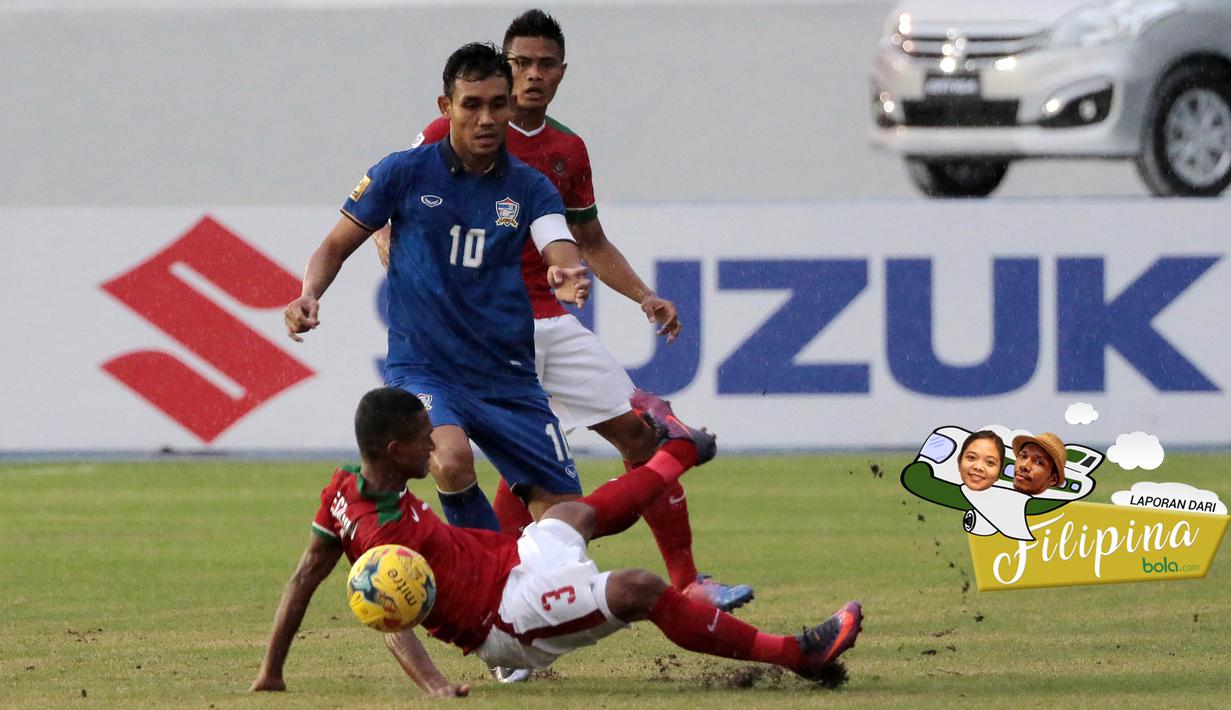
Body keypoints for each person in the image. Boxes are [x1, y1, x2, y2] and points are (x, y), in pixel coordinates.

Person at [373, 9, 751, 613]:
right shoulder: (443, 133)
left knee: (639, 436)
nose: (532, 76)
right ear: (499, 68)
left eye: (545, 64)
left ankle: (687, 581)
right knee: (483, 461)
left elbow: (591, 241)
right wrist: (409, 271)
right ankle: (502, 599)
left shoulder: (565, 151)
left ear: (562, 73)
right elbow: (386, 213)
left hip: (547, 320)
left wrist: (643, 295)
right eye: (521, 62)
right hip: (475, 334)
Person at [249, 387, 862, 697]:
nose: (434, 449)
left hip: (505, 561)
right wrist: (432, 685)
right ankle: (797, 655)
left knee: (569, 513)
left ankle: (678, 452)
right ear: (393, 451)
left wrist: (271, 671)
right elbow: (390, 615)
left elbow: (304, 577)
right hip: (505, 619)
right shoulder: (382, 538)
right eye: (422, 441)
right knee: (639, 588)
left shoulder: (343, 488)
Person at [284, 43, 594, 532]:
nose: (486, 117)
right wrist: (309, 292)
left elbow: (558, 241)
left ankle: (533, 590)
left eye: (497, 103)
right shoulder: (402, 172)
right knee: (449, 459)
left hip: (508, 374)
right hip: (426, 368)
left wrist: (566, 269)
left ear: (511, 107)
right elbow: (334, 246)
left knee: (568, 514)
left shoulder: (531, 187)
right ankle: (487, 578)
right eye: (471, 104)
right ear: (446, 107)